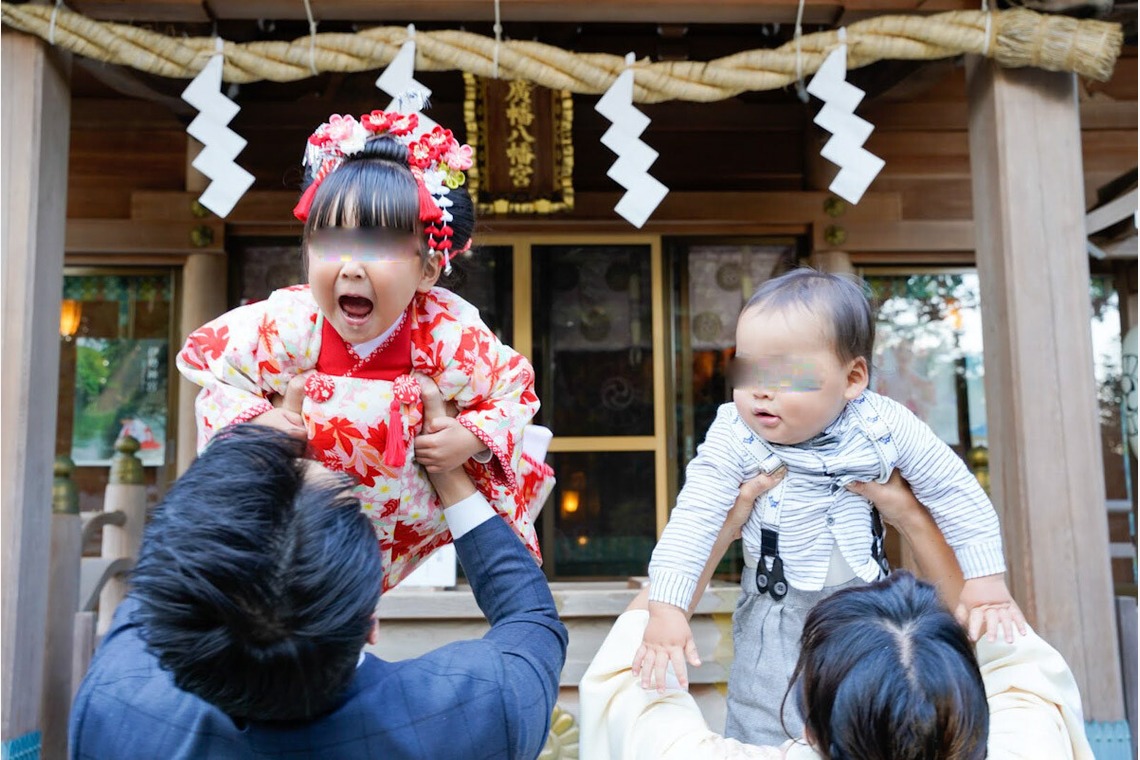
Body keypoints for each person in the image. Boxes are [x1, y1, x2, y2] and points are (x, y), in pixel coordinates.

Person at [637, 268, 1023, 745]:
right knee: (764, 713)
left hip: (868, 605)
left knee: (868, 711)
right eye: (747, 368)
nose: (760, 388)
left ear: (853, 378)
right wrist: (667, 609)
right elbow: (694, 519)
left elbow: (955, 492)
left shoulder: (886, 426)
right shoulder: (732, 435)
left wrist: (986, 582)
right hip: (775, 608)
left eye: (786, 374)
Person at [177, 109, 553, 590]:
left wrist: (468, 437)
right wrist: (257, 420)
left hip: (411, 509)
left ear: (428, 269)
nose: (351, 267)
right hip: (309, 514)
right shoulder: (289, 321)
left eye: (378, 243)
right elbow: (214, 373)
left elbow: (514, 391)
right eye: (331, 241)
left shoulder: (445, 330)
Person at [69, 415, 569, 759]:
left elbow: (174, 558)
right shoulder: (474, 711)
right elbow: (531, 620)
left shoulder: (114, 705)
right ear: (371, 622)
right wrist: (451, 476)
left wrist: (246, 437)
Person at [580, 474, 1094, 760]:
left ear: (812, 730)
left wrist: (723, 524)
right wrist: (910, 514)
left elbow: (631, 680)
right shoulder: (1026, 744)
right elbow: (1003, 643)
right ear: (972, 713)